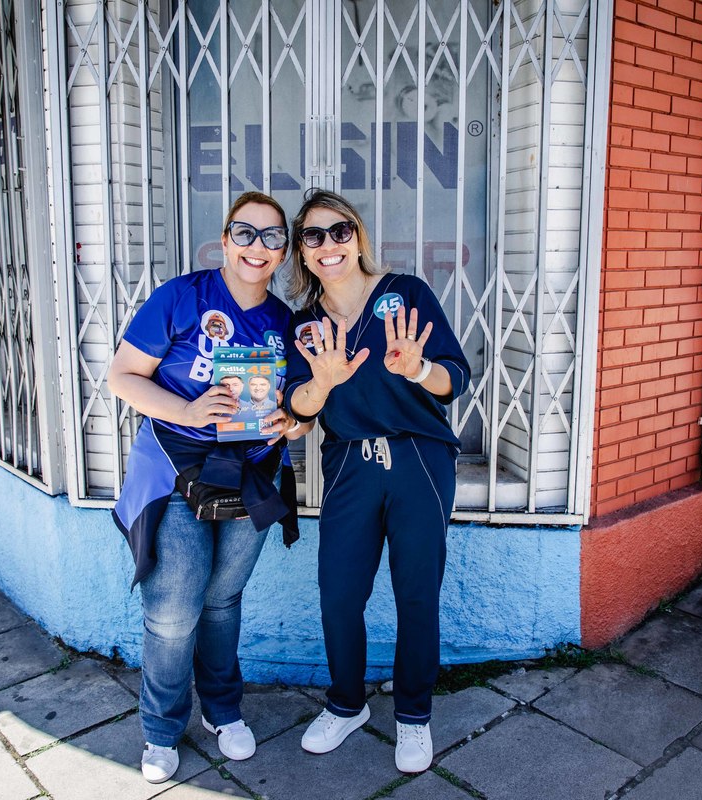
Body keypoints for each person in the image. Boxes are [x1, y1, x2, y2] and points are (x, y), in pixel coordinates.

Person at [107, 191, 309, 784]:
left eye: (272, 237)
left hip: (252, 475)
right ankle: (161, 728)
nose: (256, 247)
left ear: (283, 252)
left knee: (222, 602)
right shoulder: (181, 297)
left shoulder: (285, 323)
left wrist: (292, 422)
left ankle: (222, 710)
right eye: (244, 233)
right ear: (224, 240)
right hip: (176, 468)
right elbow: (121, 376)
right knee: (174, 612)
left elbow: (302, 412)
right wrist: (188, 412)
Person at [282, 189, 470, 774]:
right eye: (313, 236)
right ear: (302, 252)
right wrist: (323, 382)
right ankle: (346, 703)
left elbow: (455, 378)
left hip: (419, 460)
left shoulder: (405, 294)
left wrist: (418, 368)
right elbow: (298, 408)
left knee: (417, 593)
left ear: (357, 235)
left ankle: (413, 714)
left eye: (339, 231)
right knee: (339, 593)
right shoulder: (304, 325)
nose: (328, 245)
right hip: (348, 465)